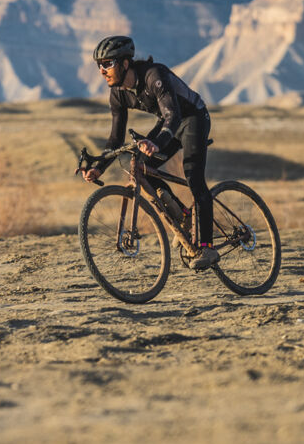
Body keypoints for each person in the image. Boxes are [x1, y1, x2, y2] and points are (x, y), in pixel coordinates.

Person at [83, 35, 218, 270]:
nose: (102, 71)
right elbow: (116, 139)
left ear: (125, 64)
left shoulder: (154, 76)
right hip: (168, 123)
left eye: (107, 64)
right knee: (138, 164)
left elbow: (173, 116)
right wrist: (98, 166)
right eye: (99, 65)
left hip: (193, 117)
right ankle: (183, 215)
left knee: (194, 177)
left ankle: (207, 246)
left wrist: (158, 142)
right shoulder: (118, 94)